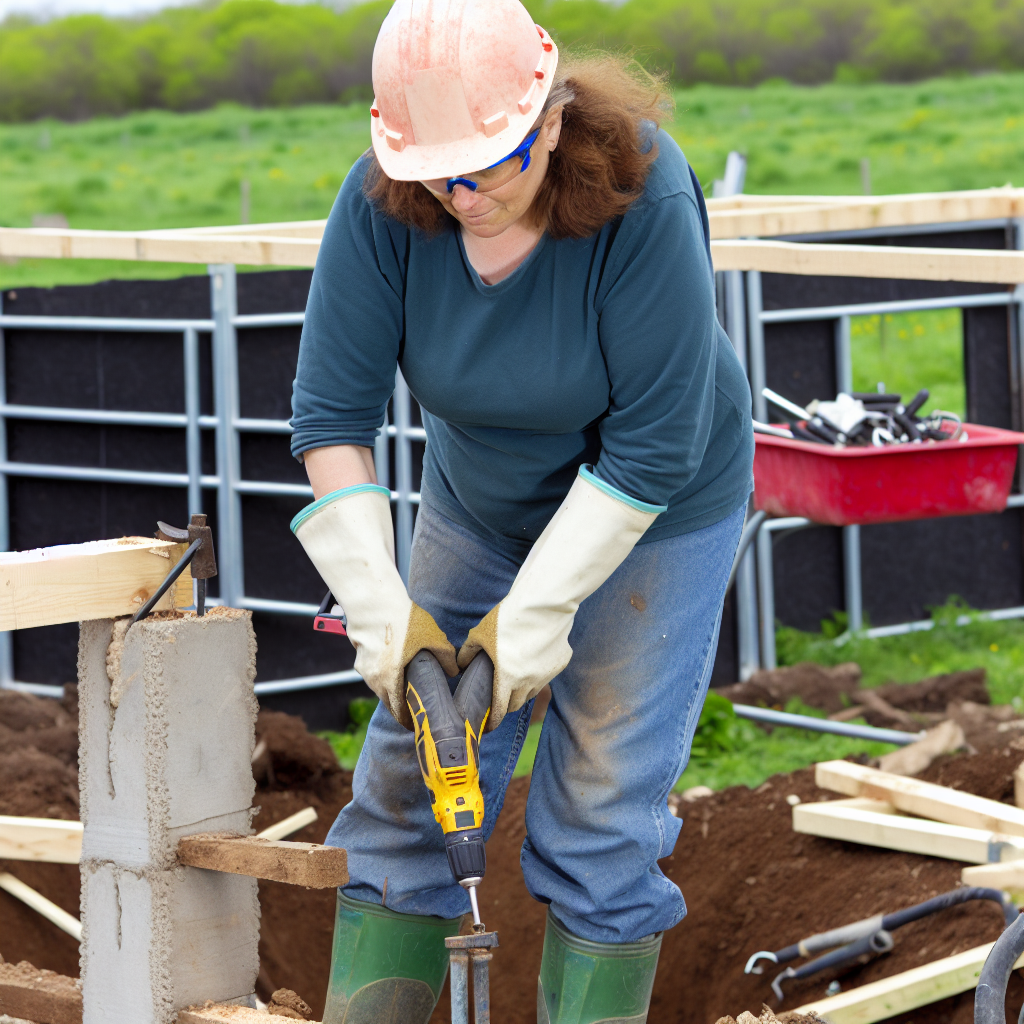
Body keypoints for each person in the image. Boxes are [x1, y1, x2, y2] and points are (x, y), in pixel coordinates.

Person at [289, 0, 754, 1020]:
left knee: (598, 802)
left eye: (491, 164)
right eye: (437, 172)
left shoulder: (643, 189)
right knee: (412, 775)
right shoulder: (382, 206)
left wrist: (535, 615)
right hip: (483, 500)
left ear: (548, 119)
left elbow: (653, 443)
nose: (462, 193)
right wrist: (380, 608)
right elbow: (330, 414)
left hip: (659, 505)